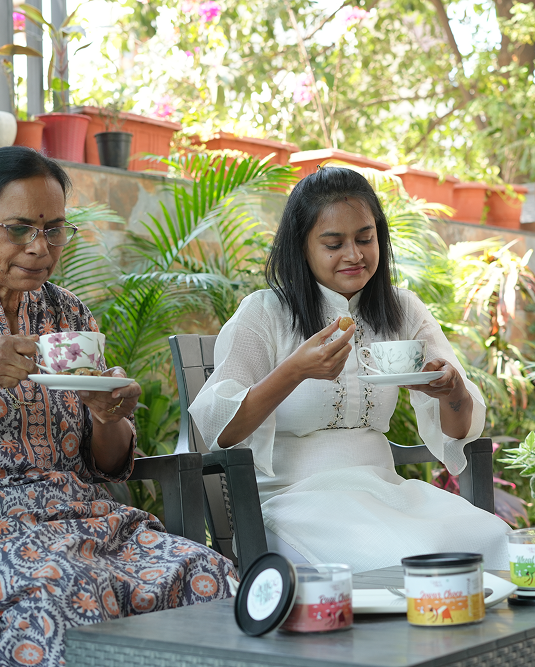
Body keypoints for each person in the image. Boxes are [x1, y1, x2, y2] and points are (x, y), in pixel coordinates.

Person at [0, 147, 235, 667]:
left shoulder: (67, 314)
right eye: (19, 229)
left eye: (54, 230)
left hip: (78, 523)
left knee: (206, 576)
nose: (41, 248)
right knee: (67, 591)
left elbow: (106, 463)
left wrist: (110, 416)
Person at [190, 167, 510, 572]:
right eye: (333, 243)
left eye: (365, 238)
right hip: (294, 503)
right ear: (301, 247)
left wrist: (453, 393)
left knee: (494, 540)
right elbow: (219, 429)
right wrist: (294, 372)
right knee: (410, 559)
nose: (355, 255)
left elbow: (459, 429)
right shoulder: (265, 312)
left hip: (386, 492)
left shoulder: (403, 309)